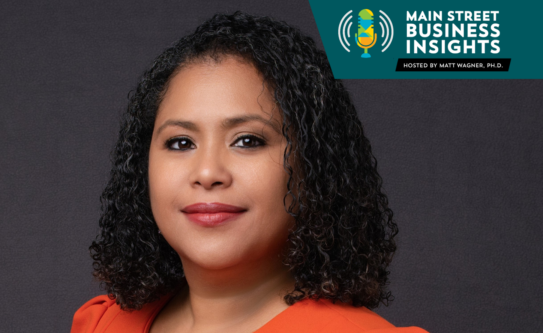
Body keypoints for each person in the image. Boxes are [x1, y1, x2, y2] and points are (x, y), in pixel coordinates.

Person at [70, 10, 428, 333]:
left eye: (247, 141)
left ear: (313, 165)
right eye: (180, 143)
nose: (208, 172)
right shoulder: (103, 324)